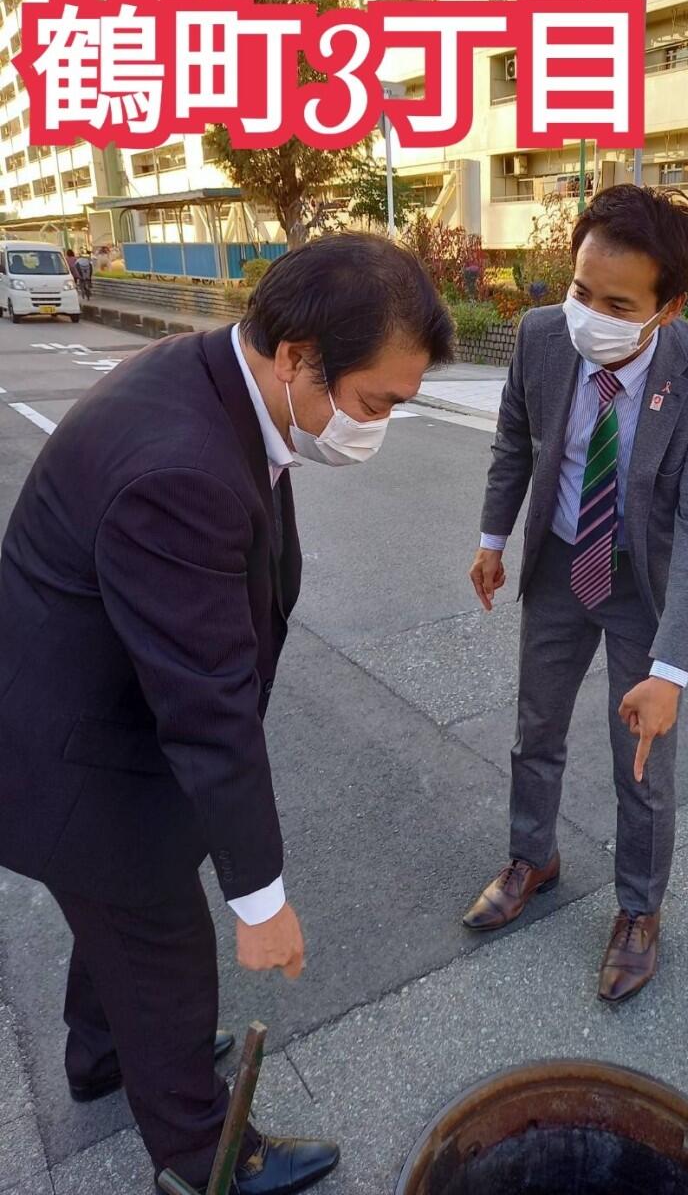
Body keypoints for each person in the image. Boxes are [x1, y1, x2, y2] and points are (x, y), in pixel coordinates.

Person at [0, 234, 454, 1193]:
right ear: (297, 357)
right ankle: (202, 1155)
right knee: (162, 944)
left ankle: (104, 1056)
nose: (378, 426)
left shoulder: (214, 378)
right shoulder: (185, 468)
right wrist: (262, 900)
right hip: (76, 754)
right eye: (376, 401)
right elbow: (206, 706)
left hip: (79, 707)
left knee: (116, 913)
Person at [463, 186, 688, 1004]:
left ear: (670, 307)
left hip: (641, 585)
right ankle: (532, 857)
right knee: (535, 730)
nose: (590, 316)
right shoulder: (542, 335)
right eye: (581, 290)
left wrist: (671, 671)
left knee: (641, 762)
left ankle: (638, 910)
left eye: (618, 305)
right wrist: (491, 539)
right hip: (560, 562)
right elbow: (514, 439)